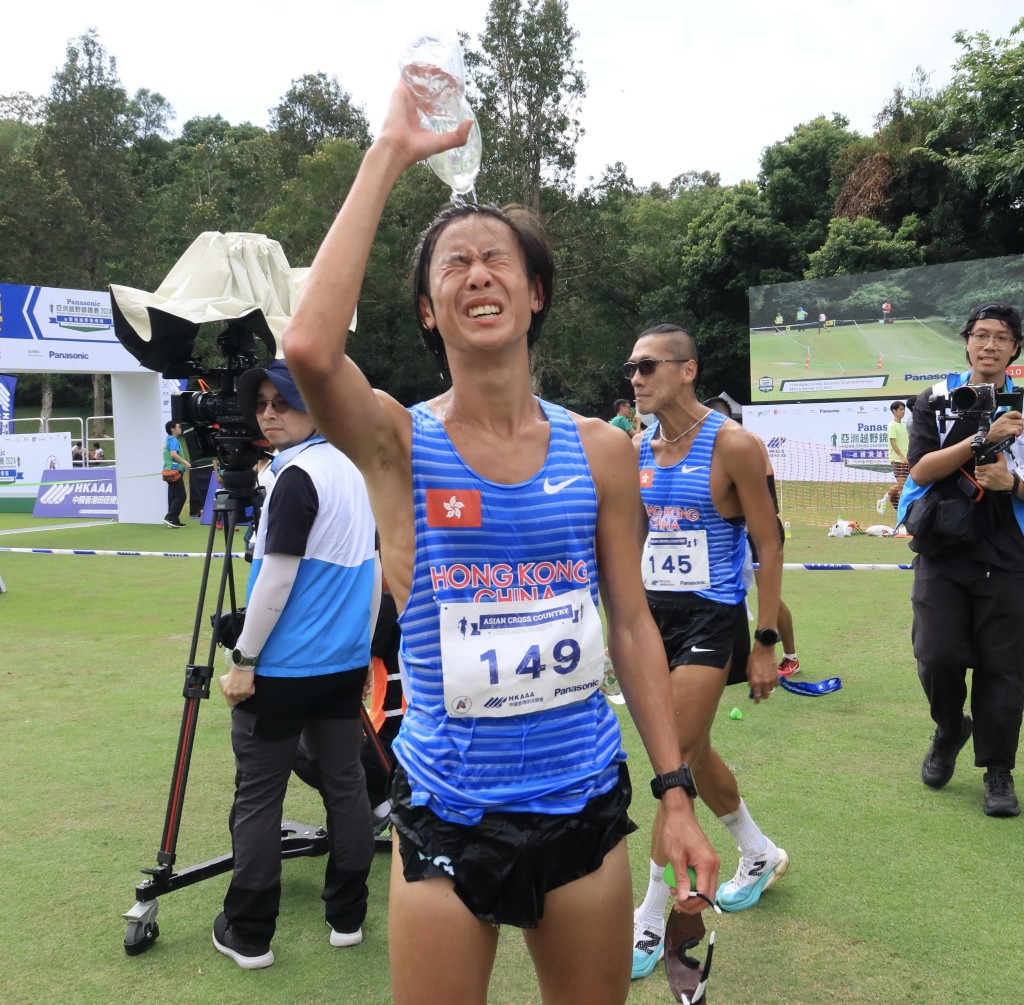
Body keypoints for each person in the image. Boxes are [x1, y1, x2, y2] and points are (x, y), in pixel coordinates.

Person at [282, 78, 719, 1005]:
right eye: (452, 265)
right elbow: (312, 351)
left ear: (535, 293)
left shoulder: (602, 451)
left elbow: (634, 628)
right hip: (447, 817)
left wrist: (674, 790)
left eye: (497, 259)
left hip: (583, 807)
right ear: (430, 312)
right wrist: (389, 151)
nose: (477, 272)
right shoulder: (399, 443)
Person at [628, 329, 788, 979]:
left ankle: (648, 918)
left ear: (688, 369)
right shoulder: (638, 448)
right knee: (692, 751)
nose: (635, 377)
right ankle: (758, 850)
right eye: (630, 368)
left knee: (673, 765)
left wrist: (767, 640)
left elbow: (770, 545)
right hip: (653, 621)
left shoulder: (734, 445)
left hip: (710, 621)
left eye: (647, 366)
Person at [213, 359, 379, 969]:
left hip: (283, 671)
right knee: (346, 784)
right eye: (260, 403)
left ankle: (250, 932)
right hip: (339, 666)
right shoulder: (355, 470)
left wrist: (244, 658)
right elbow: (374, 571)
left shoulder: (298, 475)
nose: (267, 412)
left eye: (281, 401)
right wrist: (361, 652)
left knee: (259, 799)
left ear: (315, 405)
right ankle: (348, 916)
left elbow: (276, 577)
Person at [897, 303, 1024, 818]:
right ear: (966, 342)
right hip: (944, 547)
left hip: (1011, 552)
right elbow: (922, 471)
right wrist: (983, 438)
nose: (989, 345)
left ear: (1015, 348)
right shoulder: (936, 399)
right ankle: (951, 728)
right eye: (980, 335)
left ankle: (998, 769)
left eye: (1002, 337)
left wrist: (1012, 483)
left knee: (1004, 668)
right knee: (936, 655)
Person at [703, 396, 801, 677]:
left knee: (768, 594)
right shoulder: (712, 446)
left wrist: (749, 530)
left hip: (758, 531)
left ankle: (790, 656)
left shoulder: (747, 443)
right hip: (728, 531)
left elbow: (765, 501)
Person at [878, 400, 909, 515]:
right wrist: (902, 456)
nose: (903, 411)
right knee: (901, 484)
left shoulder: (904, 425)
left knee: (906, 486)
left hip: (907, 459)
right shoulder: (892, 425)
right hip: (897, 460)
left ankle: (901, 509)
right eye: (900, 409)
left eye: (903, 409)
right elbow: (893, 443)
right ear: (894, 411)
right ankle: (883, 500)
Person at [162, 421, 190, 528]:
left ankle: (174, 520)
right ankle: (169, 517)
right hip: (174, 471)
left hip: (169, 471)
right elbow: (173, 454)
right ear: (172, 429)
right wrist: (185, 463)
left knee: (173, 495)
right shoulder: (173, 440)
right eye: (178, 427)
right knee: (181, 495)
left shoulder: (168, 440)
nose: (180, 428)